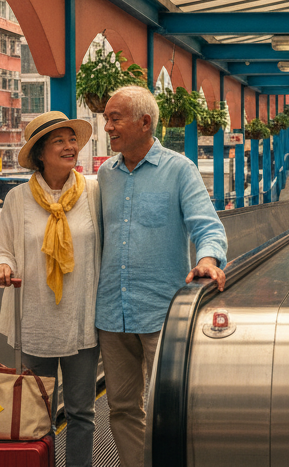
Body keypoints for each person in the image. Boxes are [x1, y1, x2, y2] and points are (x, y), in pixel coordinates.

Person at [96, 86, 228, 467]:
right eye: (106, 117)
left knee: (168, 407)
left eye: (115, 118)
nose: (108, 126)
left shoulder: (179, 170)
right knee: (121, 407)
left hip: (162, 313)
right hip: (111, 313)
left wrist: (207, 260)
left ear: (145, 122)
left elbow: (209, 227)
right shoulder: (106, 174)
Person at [0, 111, 101, 467]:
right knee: (39, 416)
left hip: (81, 318)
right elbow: (2, 249)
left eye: (72, 140)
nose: (70, 147)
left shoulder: (93, 193)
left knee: (82, 412)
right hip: (35, 318)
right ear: (40, 153)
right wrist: (2, 265)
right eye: (60, 141)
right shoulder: (17, 199)